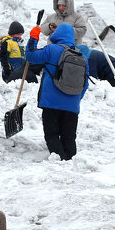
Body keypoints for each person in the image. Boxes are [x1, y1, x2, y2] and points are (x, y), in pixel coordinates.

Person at [24, 21, 89, 160]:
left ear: (57, 34)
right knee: (69, 137)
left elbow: (30, 55)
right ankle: (71, 162)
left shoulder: (51, 49)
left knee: (52, 135)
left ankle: (60, 162)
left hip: (51, 103)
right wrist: (75, 98)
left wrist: (33, 38)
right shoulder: (82, 56)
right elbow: (85, 84)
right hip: (72, 106)